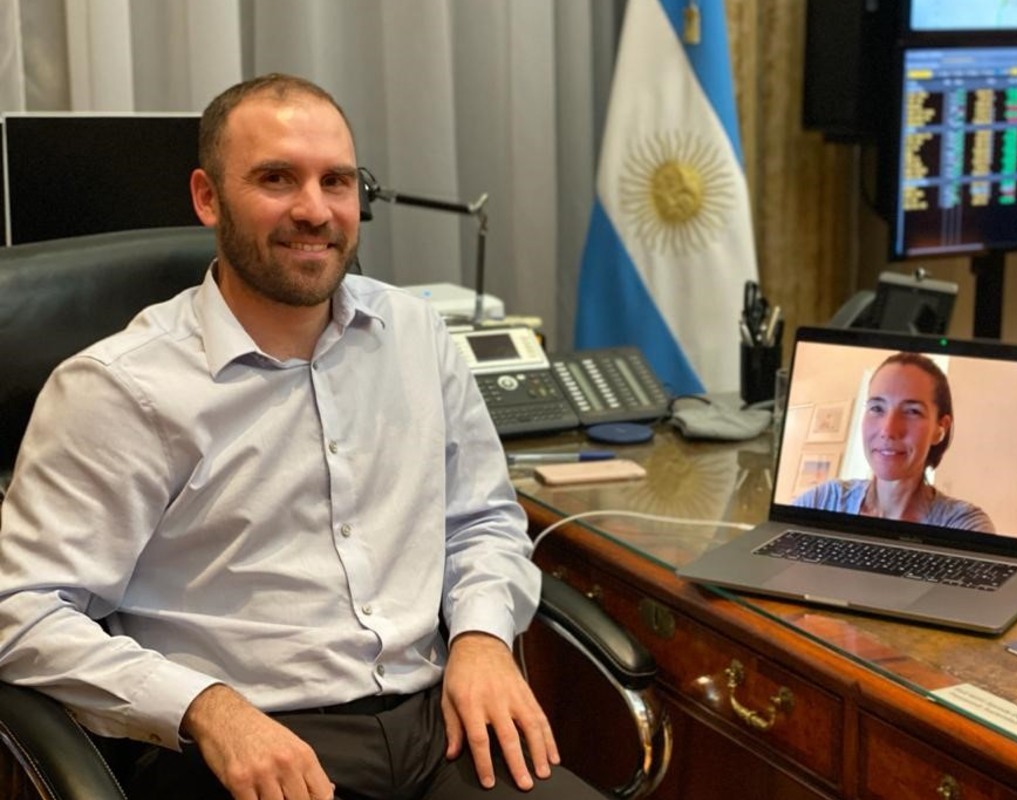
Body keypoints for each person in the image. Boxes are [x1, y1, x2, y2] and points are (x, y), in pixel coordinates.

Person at [0, 74, 601, 800]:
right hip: (250, 747)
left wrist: (480, 638)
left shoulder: (415, 335)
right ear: (207, 197)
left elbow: (480, 520)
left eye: (337, 181)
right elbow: (21, 613)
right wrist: (206, 707)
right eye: (277, 179)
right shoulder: (118, 389)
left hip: (436, 724)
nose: (314, 210)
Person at [792, 352, 995, 532]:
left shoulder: (964, 525)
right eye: (877, 408)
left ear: (939, 428)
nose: (888, 430)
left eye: (912, 411)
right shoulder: (823, 500)